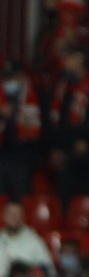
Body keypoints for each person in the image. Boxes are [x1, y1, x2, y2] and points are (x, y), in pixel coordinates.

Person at [0, 61, 43, 200]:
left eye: (13, 77)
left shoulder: (34, 96)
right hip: (0, 154)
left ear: (22, 76)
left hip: (23, 155)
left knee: (21, 197)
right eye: (7, 78)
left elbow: (40, 128)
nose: (9, 82)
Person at [46, 48, 89, 203]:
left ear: (80, 61)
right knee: (64, 196)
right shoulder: (61, 88)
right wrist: (55, 148)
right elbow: (54, 121)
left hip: (85, 153)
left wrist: (86, 141)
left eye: (70, 58)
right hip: (65, 152)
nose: (66, 62)